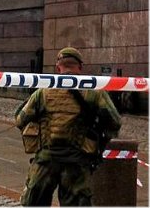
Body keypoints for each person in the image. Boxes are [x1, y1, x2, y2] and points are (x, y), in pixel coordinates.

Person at [15, 47, 122, 206]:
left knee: (34, 203)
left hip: (45, 161)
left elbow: (20, 119)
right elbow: (115, 122)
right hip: (77, 163)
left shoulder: (44, 90)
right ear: (80, 67)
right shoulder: (94, 92)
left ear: (59, 67)